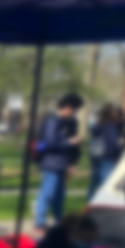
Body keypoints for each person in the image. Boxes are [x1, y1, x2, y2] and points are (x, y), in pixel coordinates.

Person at [34, 93, 84, 231]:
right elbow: (49, 142)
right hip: (51, 161)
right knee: (48, 192)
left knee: (59, 194)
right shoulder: (52, 121)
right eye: (74, 110)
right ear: (67, 107)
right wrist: (69, 142)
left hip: (62, 162)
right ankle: (40, 221)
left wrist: (72, 162)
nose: (75, 114)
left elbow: (73, 147)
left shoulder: (71, 122)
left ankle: (58, 220)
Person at [87, 103, 124, 199]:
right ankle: (107, 198)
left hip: (96, 154)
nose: (116, 114)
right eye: (114, 112)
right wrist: (119, 150)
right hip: (107, 155)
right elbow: (113, 143)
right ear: (110, 114)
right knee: (106, 180)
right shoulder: (111, 126)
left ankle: (90, 197)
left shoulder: (98, 124)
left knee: (96, 178)